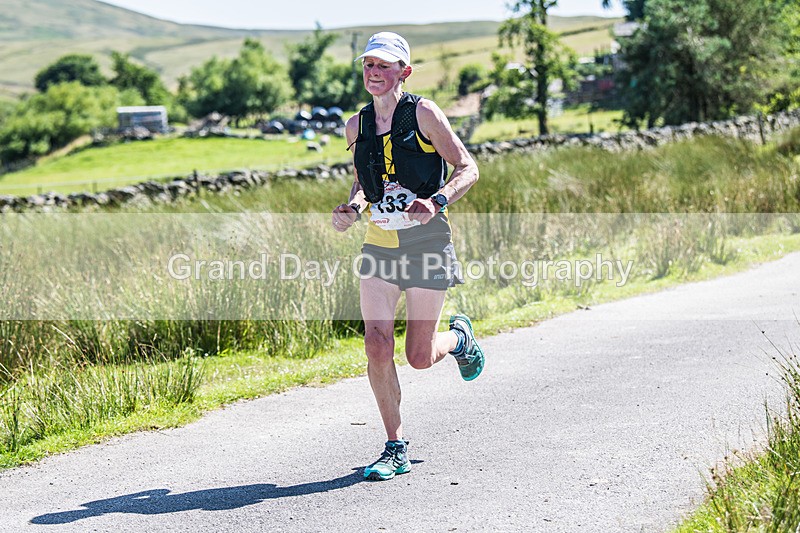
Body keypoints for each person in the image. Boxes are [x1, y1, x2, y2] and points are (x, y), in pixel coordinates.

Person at [331, 31, 485, 482]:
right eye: (368, 65)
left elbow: (467, 167)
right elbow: (364, 184)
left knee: (418, 357)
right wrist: (352, 209)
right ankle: (394, 446)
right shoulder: (355, 126)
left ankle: (459, 340)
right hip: (380, 244)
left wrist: (436, 200)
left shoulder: (423, 113)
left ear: (404, 71)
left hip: (426, 241)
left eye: (383, 66)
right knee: (377, 343)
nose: (373, 73)